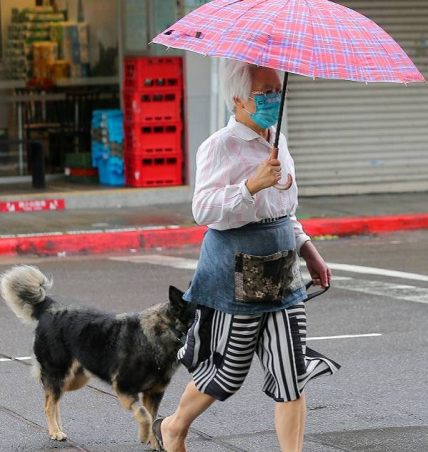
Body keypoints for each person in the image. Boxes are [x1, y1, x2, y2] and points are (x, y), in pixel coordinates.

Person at [152, 60, 340, 452]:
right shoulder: (219, 146)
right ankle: (173, 426)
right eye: (264, 93)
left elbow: (284, 211)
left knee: (291, 371)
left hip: (282, 272)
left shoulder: (279, 140)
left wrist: (308, 250)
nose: (274, 98)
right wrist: (250, 186)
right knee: (227, 371)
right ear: (237, 98)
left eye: (277, 91)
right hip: (233, 275)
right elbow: (202, 210)